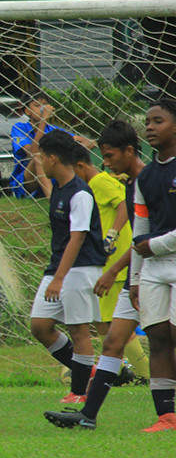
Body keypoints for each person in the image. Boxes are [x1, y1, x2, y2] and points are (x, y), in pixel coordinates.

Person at [44, 120, 148, 429]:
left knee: (117, 330)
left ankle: (144, 375)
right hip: (128, 264)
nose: (105, 162)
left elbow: (128, 215)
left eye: (109, 155)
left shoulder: (103, 183)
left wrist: (113, 237)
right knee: (112, 335)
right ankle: (88, 414)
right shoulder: (121, 181)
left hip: (123, 262)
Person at [28, 130, 106, 405]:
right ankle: (88, 372)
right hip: (59, 267)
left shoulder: (81, 193)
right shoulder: (59, 189)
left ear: (52, 159)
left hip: (80, 269)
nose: (40, 162)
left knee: (78, 329)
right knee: (39, 325)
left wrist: (59, 278)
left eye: (41, 157)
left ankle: (79, 391)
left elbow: (79, 236)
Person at [127, 97, 176, 432]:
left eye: (158, 120)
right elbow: (139, 229)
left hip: (166, 254)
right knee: (157, 337)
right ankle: (166, 417)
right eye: (147, 121)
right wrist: (134, 278)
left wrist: (154, 246)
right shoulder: (145, 177)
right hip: (153, 267)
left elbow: (149, 240)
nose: (149, 127)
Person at [9, 89, 95, 198]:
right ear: (27, 111)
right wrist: (43, 120)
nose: (42, 109)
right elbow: (32, 153)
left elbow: (87, 142)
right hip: (27, 181)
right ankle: (52, 198)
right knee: (38, 157)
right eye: (37, 106)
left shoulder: (53, 129)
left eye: (45, 105)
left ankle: (86, 191)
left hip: (51, 174)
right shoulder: (19, 128)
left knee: (74, 156)